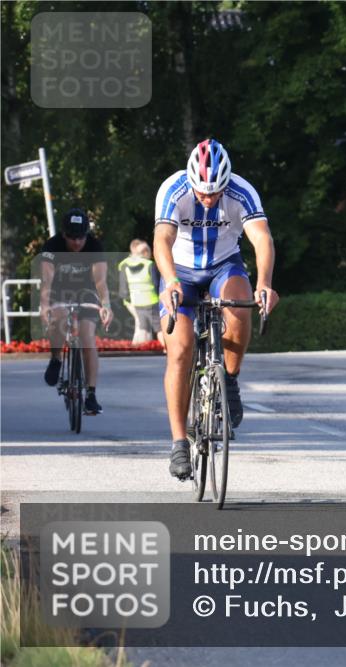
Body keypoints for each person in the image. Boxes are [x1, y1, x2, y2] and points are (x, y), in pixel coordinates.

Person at [154, 139, 279, 480]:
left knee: (240, 307)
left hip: (224, 264)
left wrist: (264, 283)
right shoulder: (174, 189)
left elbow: (261, 238)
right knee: (179, 350)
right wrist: (170, 282)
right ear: (192, 181)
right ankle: (179, 442)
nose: (208, 199)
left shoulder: (242, 191)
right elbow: (162, 239)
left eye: (215, 193)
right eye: (202, 193)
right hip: (178, 270)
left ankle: (231, 379)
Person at [38, 208, 114, 415]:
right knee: (59, 319)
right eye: (72, 237)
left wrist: (106, 306)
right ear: (64, 234)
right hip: (59, 290)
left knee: (87, 335)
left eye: (81, 237)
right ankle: (56, 358)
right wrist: (45, 306)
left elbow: (100, 281)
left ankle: (90, 393)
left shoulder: (94, 245)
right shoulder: (52, 246)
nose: (77, 242)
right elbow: (47, 281)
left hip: (86, 291)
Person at [118, 239, 164, 347]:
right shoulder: (149, 264)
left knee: (142, 327)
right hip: (151, 300)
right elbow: (157, 284)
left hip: (135, 301)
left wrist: (127, 298)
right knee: (159, 328)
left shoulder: (124, 264)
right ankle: (167, 349)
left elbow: (123, 286)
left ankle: (141, 349)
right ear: (146, 252)